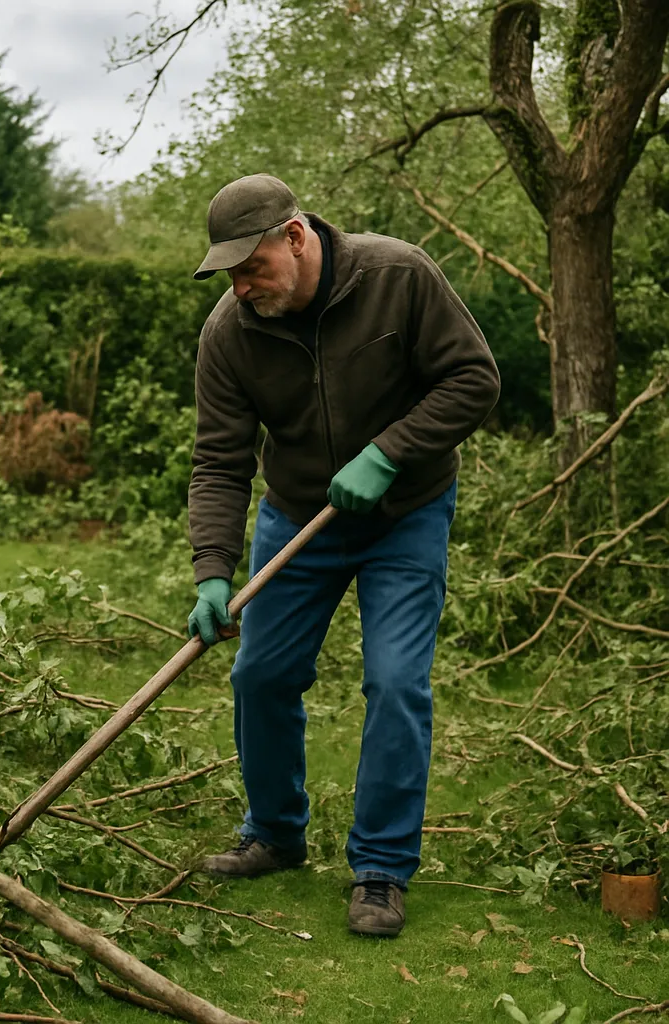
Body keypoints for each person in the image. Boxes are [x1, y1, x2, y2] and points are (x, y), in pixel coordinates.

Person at [187, 173, 500, 937]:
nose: (242, 286)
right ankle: (275, 832)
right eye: (228, 272)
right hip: (298, 518)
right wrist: (213, 572)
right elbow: (220, 462)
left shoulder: (400, 276)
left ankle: (382, 871)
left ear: (296, 238)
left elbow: (475, 379)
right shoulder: (230, 333)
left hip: (407, 513)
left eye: (252, 266)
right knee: (260, 673)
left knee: (396, 682)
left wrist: (389, 453)